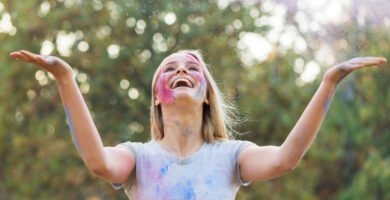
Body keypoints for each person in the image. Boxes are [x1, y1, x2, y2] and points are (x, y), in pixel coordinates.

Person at [9, 49, 387, 199]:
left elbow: (285, 159)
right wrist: (65, 80)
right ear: (157, 95)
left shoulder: (231, 157)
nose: (181, 71)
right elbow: (97, 162)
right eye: (169, 68)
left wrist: (327, 83)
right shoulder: (137, 158)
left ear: (207, 94)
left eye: (193, 68)